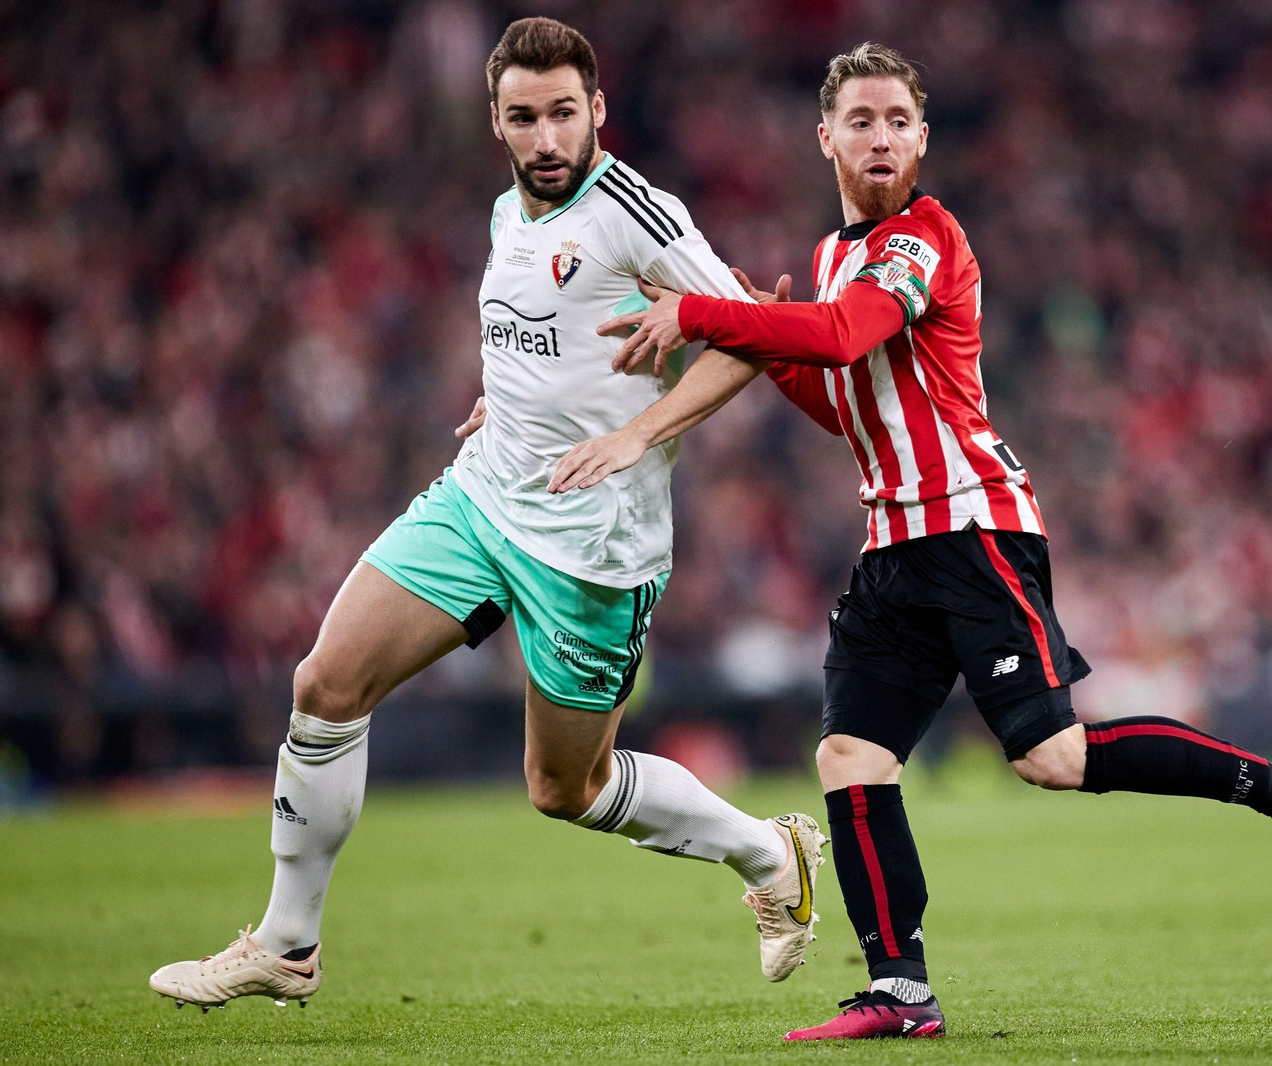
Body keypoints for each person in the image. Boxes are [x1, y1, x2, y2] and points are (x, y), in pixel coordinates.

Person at [545, 42, 1272, 1041]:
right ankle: (897, 987)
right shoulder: (828, 257)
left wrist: (706, 311)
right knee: (851, 755)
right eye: (860, 120)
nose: (881, 137)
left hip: (973, 528)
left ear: (922, 139)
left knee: (1052, 755)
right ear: (826, 137)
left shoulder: (923, 238)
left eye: (898, 120)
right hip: (890, 546)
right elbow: (843, 399)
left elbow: (846, 336)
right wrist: (763, 340)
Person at [147, 17, 826, 1012]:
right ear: (495, 123)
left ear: (596, 109)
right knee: (326, 684)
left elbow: (748, 335)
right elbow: (539, 333)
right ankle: (287, 944)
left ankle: (770, 854)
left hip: (591, 543)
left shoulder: (635, 209)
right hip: (481, 496)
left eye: (562, 113)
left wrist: (640, 435)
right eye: (524, 117)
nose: (545, 137)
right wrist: (504, 400)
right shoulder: (508, 213)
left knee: (566, 789)